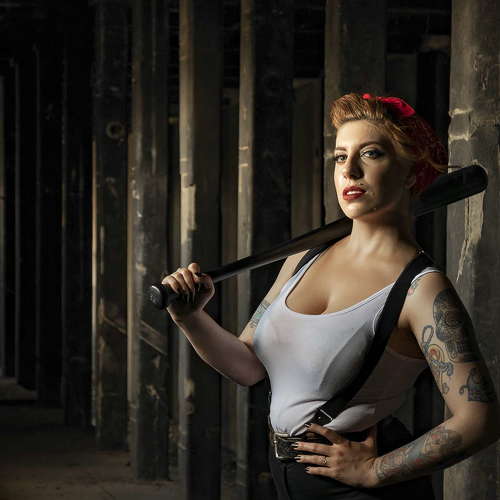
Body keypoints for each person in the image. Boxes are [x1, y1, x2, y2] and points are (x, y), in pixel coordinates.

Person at [162, 92, 500, 499]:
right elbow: (248, 366)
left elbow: (480, 419)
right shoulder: (305, 257)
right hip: (290, 476)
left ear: (412, 172)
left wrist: (374, 471)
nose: (350, 170)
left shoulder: (420, 288)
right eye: (341, 157)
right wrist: (190, 317)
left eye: (371, 154)